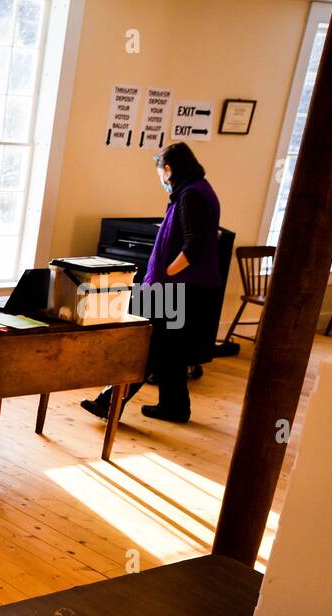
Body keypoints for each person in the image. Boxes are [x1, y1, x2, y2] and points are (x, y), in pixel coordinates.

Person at [81, 141, 221, 424]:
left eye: (160, 174)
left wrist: (168, 272)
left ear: (168, 170)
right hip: (183, 287)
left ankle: (109, 403)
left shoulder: (190, 195)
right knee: (171, 350)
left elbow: (194, 244)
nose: (162, 181)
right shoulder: (200, 190)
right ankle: (175, 407)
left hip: (171, 287)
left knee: (145, 347)